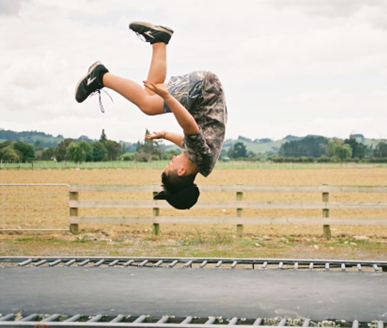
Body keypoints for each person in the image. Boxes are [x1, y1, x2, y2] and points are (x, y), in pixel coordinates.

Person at [75, 22, 227, 210]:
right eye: (170, 163)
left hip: (205, 91)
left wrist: (164, 134)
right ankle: (100, 77)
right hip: (204, 90)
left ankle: (159, 40)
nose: (171, 159)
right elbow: (189, 126)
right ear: (181, 171)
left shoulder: (201, 163)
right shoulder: (200, 157)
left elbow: (187, 141)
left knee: (150, 90)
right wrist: (168, 97)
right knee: (147, 105)